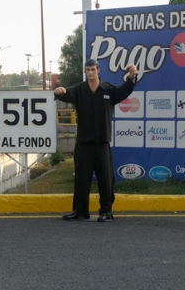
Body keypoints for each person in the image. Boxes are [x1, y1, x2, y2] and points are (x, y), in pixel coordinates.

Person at [52, 59, 140, 222]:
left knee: (106, 179)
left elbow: (124, 91)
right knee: (81, 178)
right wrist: (58, 90)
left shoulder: (107, 89)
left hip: (102, 143)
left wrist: (131, 78)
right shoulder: (79, 89)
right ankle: (80, 211)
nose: (90, 73)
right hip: (84, 143)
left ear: (98, 70)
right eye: (87, 70)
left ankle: (106, 211)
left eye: (93, 69)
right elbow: (63, 93)